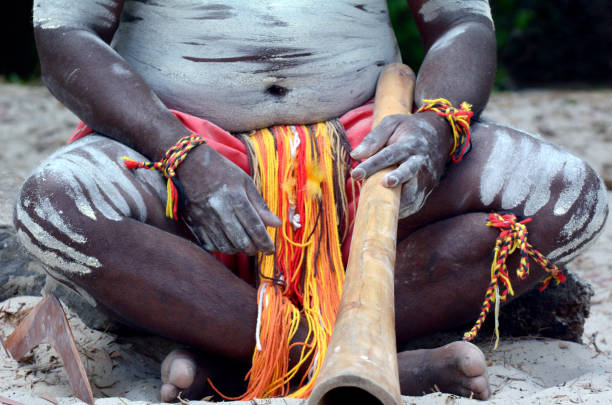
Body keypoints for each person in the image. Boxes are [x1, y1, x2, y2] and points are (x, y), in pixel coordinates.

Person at [17, 0, 607, 401]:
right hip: (174, 145)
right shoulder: (178, 153)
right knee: (53, 207)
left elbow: (461, 21)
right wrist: (184, 157)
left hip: (366, 149)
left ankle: (251, 356)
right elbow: (63, 35)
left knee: (570, 197)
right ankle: (358, 363)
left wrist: (434, 129)